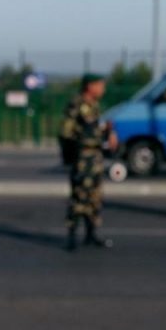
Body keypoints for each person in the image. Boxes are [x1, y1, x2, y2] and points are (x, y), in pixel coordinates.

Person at [59, 73, 118, 251]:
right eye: (100, 85)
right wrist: (72, 155)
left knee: (95, 198)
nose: (103, 89)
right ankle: (72, 236)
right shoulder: (77, 104)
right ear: (90, 86)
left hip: (95, 158)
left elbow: (95, 129)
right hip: (82, 158)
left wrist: (108, 132)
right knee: (79, 197)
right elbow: (65, 132)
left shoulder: (94, 106)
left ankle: (91, 234)